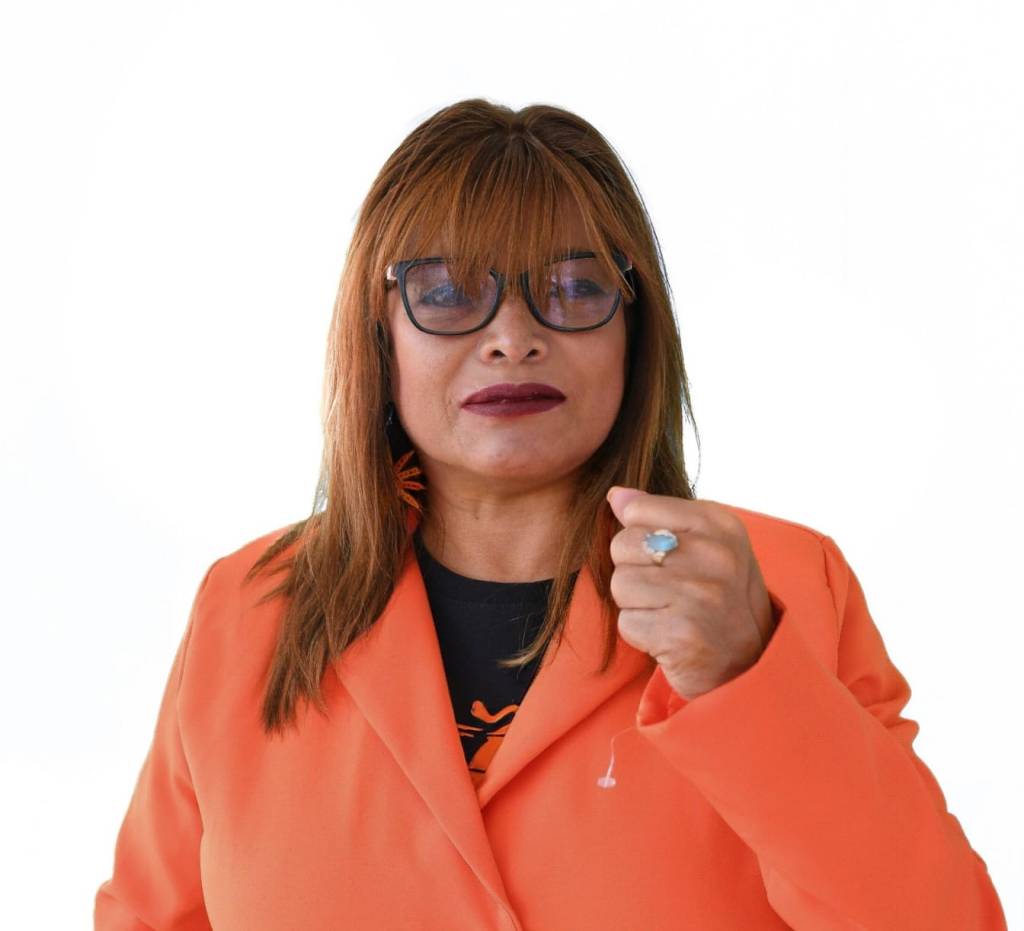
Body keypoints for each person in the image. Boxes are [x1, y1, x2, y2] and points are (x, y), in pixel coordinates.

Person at [94, 98, 1008, 930]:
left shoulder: (783, 587)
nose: (513, 336)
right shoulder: (248, 610)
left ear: (635, 330)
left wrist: (748, 677)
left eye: (573, 288)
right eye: (448, 291)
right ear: (379, 331)